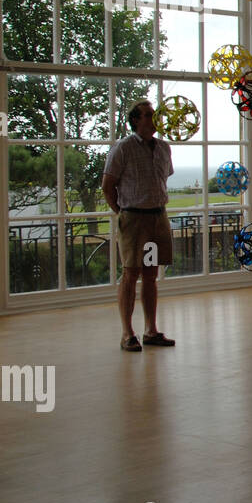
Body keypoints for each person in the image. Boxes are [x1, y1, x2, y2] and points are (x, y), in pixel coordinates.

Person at [101, 100, 176, 352]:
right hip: (134, 220)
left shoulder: (164, 148)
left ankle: (151, 330)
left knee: (151, 275)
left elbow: (163, 179)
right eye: (147, 115)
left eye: (154, 115)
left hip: (157, 219)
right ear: (135, 120)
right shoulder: (123, 148)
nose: (152, 119)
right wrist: (122, 213)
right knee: (130, 274)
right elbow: (107, 185)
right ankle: (127, 333)